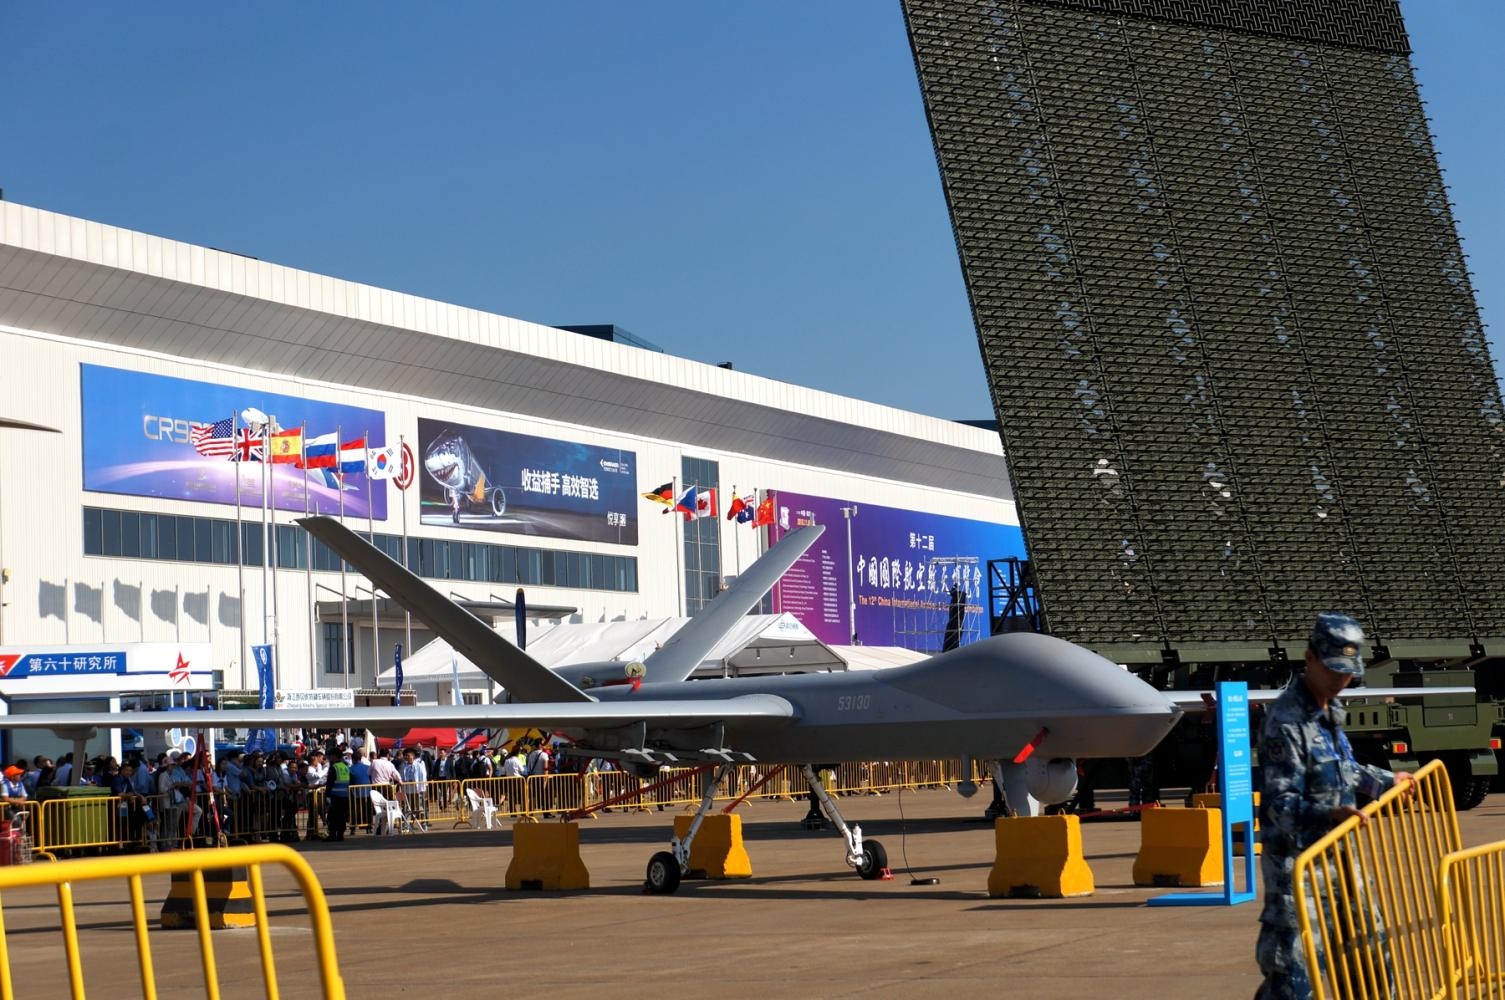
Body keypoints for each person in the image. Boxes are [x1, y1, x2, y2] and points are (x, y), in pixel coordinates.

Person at [1255, 612, 1416, 1000]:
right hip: (1299, 868)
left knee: (1371, 963)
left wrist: (1384, 781)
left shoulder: (1329, 712)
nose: (1340, 679)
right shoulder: (1286, 722)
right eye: (1332, 669)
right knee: (1294, 979)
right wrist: (1328, 814)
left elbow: (1341, 769)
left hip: (1340, 859)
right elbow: (1279, 804)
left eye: (1347, 672)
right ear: (1309, 658)